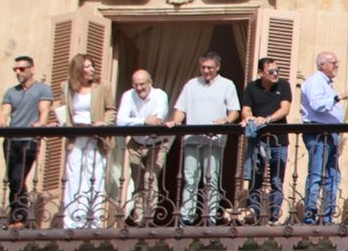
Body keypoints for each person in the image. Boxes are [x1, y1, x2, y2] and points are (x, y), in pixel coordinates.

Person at [170, 52, 240, 225]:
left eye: (210, 67)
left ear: (218, 67)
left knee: (211, 178)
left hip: (214, 140)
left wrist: (226, 120)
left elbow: (234, 111)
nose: (206, 71)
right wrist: (176, 121)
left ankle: (209, 216)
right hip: (192, 138)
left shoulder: (227, 84)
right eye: (203, 67)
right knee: (190, 178)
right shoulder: (191, 84)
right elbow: (181, 109)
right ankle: (187, 216)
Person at [0, 55, 53, 229]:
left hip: (28, 140)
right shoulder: (11, 92)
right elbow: (4, 112)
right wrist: (0, 121)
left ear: (32, 69)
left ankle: (20, 215)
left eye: (21, 69)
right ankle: (17, 215)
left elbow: (44, 110)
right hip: (11, 140)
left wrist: (41, 124)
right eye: (15, 69)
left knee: (17, 176)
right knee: (12, 178)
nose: (18, 72)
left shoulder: (43, 89)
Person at [57, 53, 107, 228]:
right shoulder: (67, 87)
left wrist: (104, 122)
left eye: (92, 65)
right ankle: (71, 222)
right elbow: (64, 109)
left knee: (94, 175)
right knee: (73, 175)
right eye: (87, 66)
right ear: (78, 69)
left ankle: (92, 221)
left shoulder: (102, 87)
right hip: (75, 135)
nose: (91, 69)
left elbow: (111, 109)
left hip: (95, 136)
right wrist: (60, 123)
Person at [240, 57, 293, 222]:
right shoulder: (252, 87)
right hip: (259, 141)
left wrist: (267, 119)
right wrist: (250, 118)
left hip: (279, 141)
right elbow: (246, 109)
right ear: (261, 73)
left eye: (278, 70)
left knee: (276, 181)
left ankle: (273, 216)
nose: (275, 74)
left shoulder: (284, 85)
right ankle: (253, 213)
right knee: (256, 179)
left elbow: (285, 109)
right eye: (271, 72)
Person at [116, 69, 170, 225]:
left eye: (142, 84)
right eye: (135, 85)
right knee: (138, 182)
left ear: (150, 82)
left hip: (157, 143)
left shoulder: (160, 95)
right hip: (136, 143)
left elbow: (158, 119)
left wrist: (135, 120)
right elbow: (120, 121)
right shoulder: (128, 95)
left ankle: (149, 218)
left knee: (150, 179)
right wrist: (143, 121)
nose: (138, 88)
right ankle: (139, 220)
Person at [298, 51, 343, 224]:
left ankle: (328, 216)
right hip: (318, 133)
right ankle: (310, 216)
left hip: (330, 133)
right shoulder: (315, 81)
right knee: (317, 175)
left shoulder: (326, 83)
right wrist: (338, 97)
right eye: (333, 62)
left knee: (332, 175)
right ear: (323, 65)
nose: (336, 65)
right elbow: (316, 104)